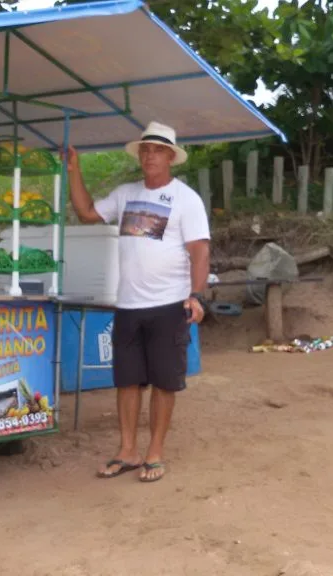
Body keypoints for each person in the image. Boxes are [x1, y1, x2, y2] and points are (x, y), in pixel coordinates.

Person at [65, 121, 210, 483]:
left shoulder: (185, 199)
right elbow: (86, 213)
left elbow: (200, 251)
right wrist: (74, 171)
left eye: (157, 150)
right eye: (145, 149)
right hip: (128, 305)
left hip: (169, 305)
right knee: (127, 381)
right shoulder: (125, 193)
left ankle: (155, 452)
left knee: (164, 382)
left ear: (170, 157)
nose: (149, 155)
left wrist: (196, 295)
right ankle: (128, 450)